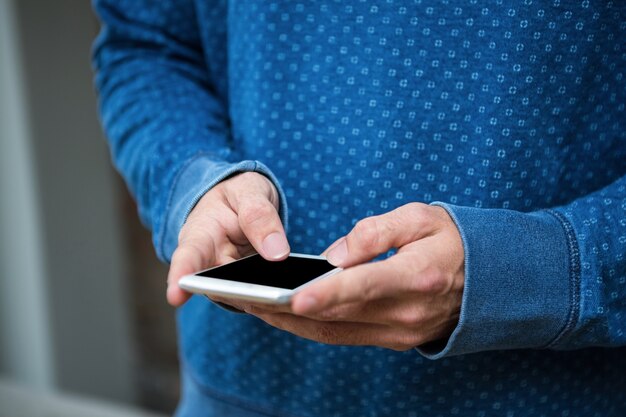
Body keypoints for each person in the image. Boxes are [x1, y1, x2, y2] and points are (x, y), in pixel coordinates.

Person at [92, 1, 626, 416]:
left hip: (552, 398)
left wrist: (533, 268)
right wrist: (193, 180)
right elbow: (148, 44)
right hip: (240, 392)